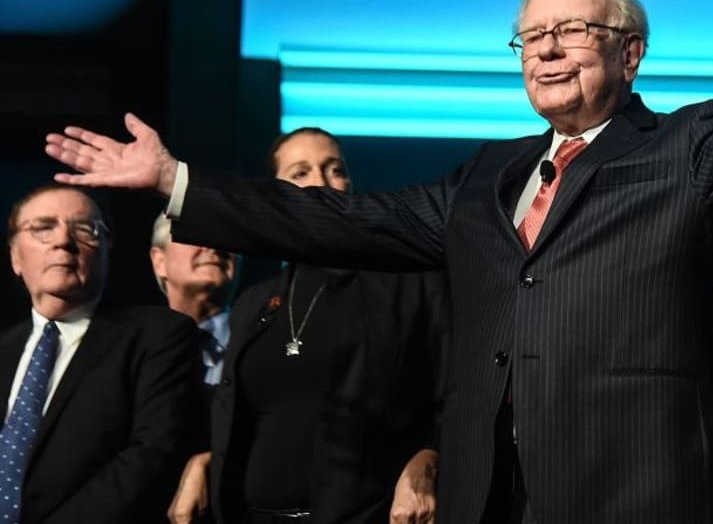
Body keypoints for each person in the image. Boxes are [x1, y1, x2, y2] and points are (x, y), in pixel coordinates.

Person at [46, 0, 713, 524]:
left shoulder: (686, 142)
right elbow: (340, 220)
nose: (548, 50)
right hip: (486, 491)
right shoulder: (489, 173)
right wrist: (175, 181)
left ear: (631, 53)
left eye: (572, 31)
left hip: (632, 484)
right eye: (531, 37)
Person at [167, 127, 449, 524]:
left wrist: (429, 458)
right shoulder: (253, 303)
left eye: (335, 169)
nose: (320, 182)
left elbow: (458, 393)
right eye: (300, 173)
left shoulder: (411, 282)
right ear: (273, 195)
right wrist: (205, 462)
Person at [1, 184, 200, 522]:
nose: (63, 241)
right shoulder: (4, 348)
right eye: (43, 228)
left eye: (84, 229)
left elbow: (151, 455)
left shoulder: (157, 335)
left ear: (107, 249)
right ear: (16, 257)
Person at [150, 212, 239, 392]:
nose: (214, 247)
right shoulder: (137, 352)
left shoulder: (263, 344)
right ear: (160, 262)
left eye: (227, 237)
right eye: (196, 234)